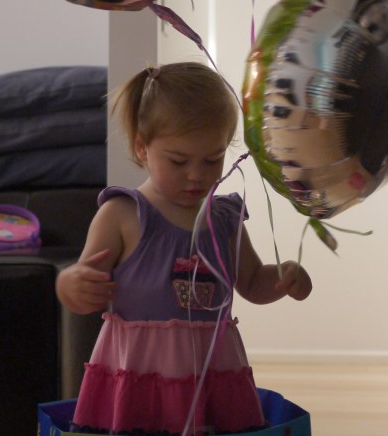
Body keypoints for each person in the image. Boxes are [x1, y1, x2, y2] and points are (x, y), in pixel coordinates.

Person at [57, 61, 312, 435]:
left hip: (213, 373)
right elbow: (83, 284)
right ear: (142, 148)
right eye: (178, 161)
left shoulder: (224, 218)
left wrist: (287, 278)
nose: (197, 174)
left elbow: (253, 282)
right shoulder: (122, 215)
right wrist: (70, 284)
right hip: (139, 375)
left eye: (213, 159)